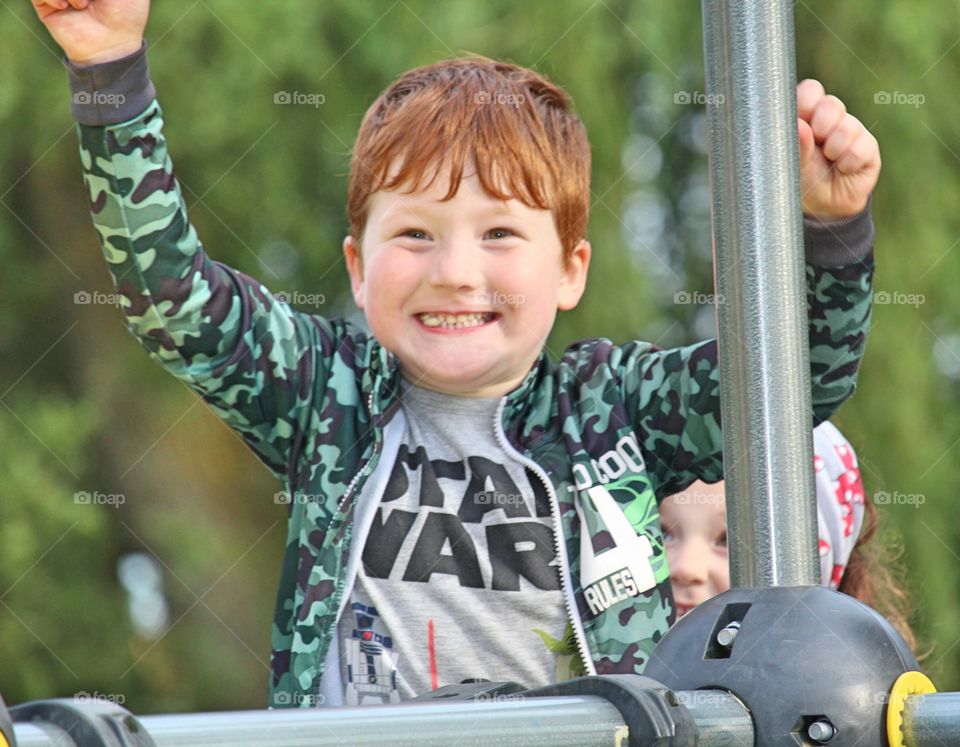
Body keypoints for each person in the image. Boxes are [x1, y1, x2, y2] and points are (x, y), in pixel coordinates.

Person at [33, 0, 881, 706]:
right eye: (415, 234)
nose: (455, 272)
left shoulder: (611, 409)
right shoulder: (325, 395)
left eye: (501, 233)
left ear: (570, 270)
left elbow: (792, 385)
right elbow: (173, 298)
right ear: (359, 269)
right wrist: (111, 73)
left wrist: (831, 233)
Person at [662, 422, 916, 648]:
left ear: (814, 560)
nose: (685, 568)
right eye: (661, 533)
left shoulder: (848, 695)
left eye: (730, 540)